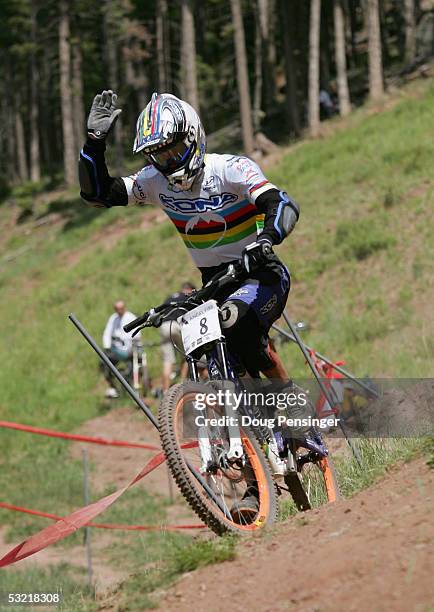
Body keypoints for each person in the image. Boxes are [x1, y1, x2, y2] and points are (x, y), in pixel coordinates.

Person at [79, 90, 300, 513]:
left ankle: (292, 413)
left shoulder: (230, 168)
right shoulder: (155, 183)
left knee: (237, 323)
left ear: (193, 136)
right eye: (160, 155)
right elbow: (98, 195)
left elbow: (281, 202)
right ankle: (254, 483)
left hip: (260, 272)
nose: (170, 161)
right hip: (213, 284)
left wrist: (267, 239)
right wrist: (93, 142)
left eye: (176, 148)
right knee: (211, 366)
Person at [160, 282, 195, 392]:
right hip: (176, 325)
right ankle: (182, 385)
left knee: (167, 361)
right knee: (186, 355)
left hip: (164, 326)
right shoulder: (187, 297)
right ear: (189, 289)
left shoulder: (170, 297)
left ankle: (166, 391)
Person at [101, 300, 141, 398]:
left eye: (121, 309)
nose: (119, 311)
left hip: (130, 349)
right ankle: (112, 387)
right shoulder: (113, 319)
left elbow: (137, 334)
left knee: (134, 364)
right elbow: (107, 333)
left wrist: (133, 347)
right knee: (104, 362)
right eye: (117, 309)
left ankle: (133, 386)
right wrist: (107, 347)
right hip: (117, 349)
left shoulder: (130, 317)